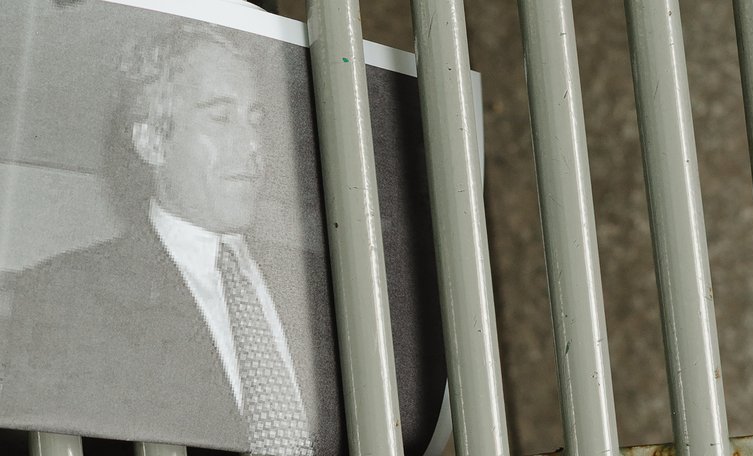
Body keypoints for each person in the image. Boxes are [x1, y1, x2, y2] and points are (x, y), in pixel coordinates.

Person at [0, 21, 447, 455]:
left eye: (256, 120)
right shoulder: (65, 295)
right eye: (221, 117)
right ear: (152, 141)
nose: (254, 144)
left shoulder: (330, 282)